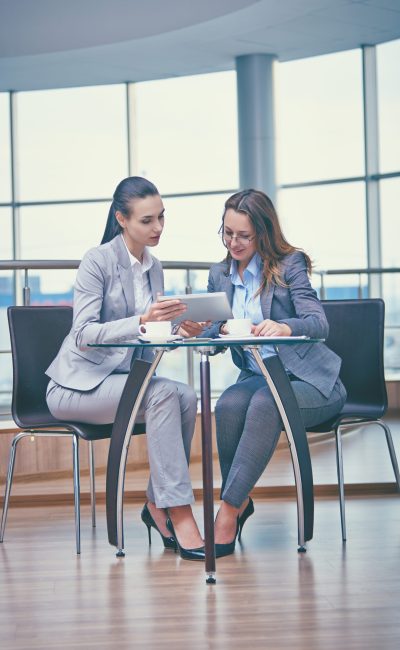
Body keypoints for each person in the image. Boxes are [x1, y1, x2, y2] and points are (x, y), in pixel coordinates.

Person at [46, 176, 206, 561]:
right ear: (122, 219)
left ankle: (157, 505)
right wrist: (142, 320)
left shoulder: (154, 267)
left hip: (121, 383)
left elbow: (147, 344)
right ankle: (180, 513)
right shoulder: (96, 261)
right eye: (147, 221)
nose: (158, 228)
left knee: (185, 394)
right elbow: (83, 334)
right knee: (167, 392)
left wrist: (178, 331)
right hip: (76, 389)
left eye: (162, 218)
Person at [203, 189, 347, 558]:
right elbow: (211, 335)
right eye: (227, 232)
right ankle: (240, 501)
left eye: (243, 236)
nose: (233, 243)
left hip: (310, 381)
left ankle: (228, 511)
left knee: (268, 404)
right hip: (256, 377)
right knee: (230, 404)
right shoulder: (220, 274)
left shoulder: (289, 265)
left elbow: (318, 323)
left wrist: (285, 327)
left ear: (263, 234)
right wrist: (213, 330)